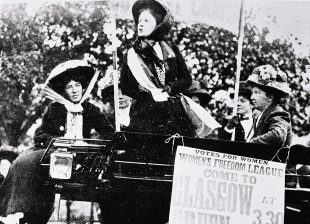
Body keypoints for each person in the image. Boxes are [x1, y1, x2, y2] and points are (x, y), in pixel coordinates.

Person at [0, 60, 115, 224]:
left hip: (81, 156)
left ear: (83, 87)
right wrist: (58, 141)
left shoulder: (91, 110)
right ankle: (15, 212)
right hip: (55, 152)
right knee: (23, 162)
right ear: (64, 91)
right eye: (69, 87)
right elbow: (39, 134)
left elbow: (109, 133)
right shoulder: (56, 108)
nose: (74, 90)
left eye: (77, 85)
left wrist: (92, 145)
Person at [119, 0, 195, 137]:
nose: (140, 24)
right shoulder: (131, 55)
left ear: (158, 24)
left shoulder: (172, 50)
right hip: (144, 113)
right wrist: (144, 93)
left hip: (172, 112)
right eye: (139, 21)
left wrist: (170, 87)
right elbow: (125, 85)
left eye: (146, 21)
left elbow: (187, 79)